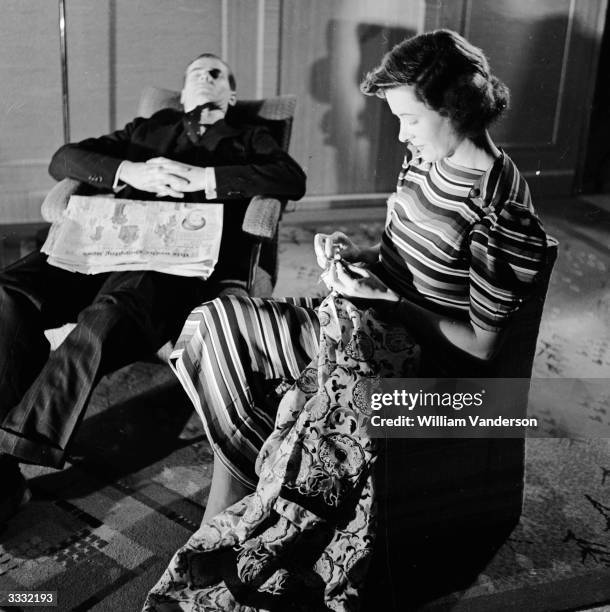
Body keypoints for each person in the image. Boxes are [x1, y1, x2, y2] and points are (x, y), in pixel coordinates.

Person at [144, 30, 553, 610]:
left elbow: (482, 350)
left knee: (226, 334)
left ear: (454, 107)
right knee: (214, 325)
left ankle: (247, 501)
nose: (402, 135)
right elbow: (399, 256)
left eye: (409, 119)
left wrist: (387, 300)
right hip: (370, 315)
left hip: (414, 359)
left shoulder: (499, 208)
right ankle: (251, 487)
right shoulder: (428, 158)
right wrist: (354, 256)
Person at [0, 53, 306, 524]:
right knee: (9, 290)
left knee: (106, 317)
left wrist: (206, 179)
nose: (205, 77)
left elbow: (289, 177)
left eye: (217, 74)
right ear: (182, 93)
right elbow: (65, 157)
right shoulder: (148, 129)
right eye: (195, 73)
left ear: (231, 96)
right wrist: (132, 172)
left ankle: (9, 458)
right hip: (101, 247)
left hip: (169, 261)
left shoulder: (248, 136)